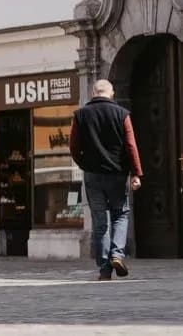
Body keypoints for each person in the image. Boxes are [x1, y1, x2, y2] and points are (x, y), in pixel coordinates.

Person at [70, 79, 143, 280]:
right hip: (117, 174)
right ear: (111, 93)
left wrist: (84, 164)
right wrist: (136, 173)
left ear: (94, 93)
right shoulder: (122, 114)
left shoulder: (81, 115)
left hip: (93, 175)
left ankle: (104, 269)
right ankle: (117, 255)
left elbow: (74, 146)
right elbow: (130, 145)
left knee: (100, 221)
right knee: (120, 214)